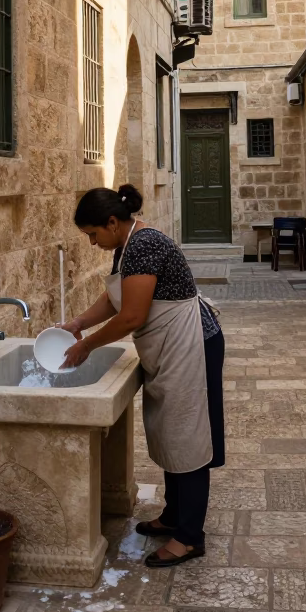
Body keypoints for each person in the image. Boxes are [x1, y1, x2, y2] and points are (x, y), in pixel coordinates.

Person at [60, 184, 225, 568]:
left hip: (192, 344)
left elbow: (131, 315)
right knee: (169, 429)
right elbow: (115, 297)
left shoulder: (145, 245)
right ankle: (174, 515)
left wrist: (86, 346)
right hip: (172, 346)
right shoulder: (127, 245)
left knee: (187, 434)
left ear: (113, 223)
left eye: (92, 235)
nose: (91, 243)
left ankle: (189, 537)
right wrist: (78, 323)